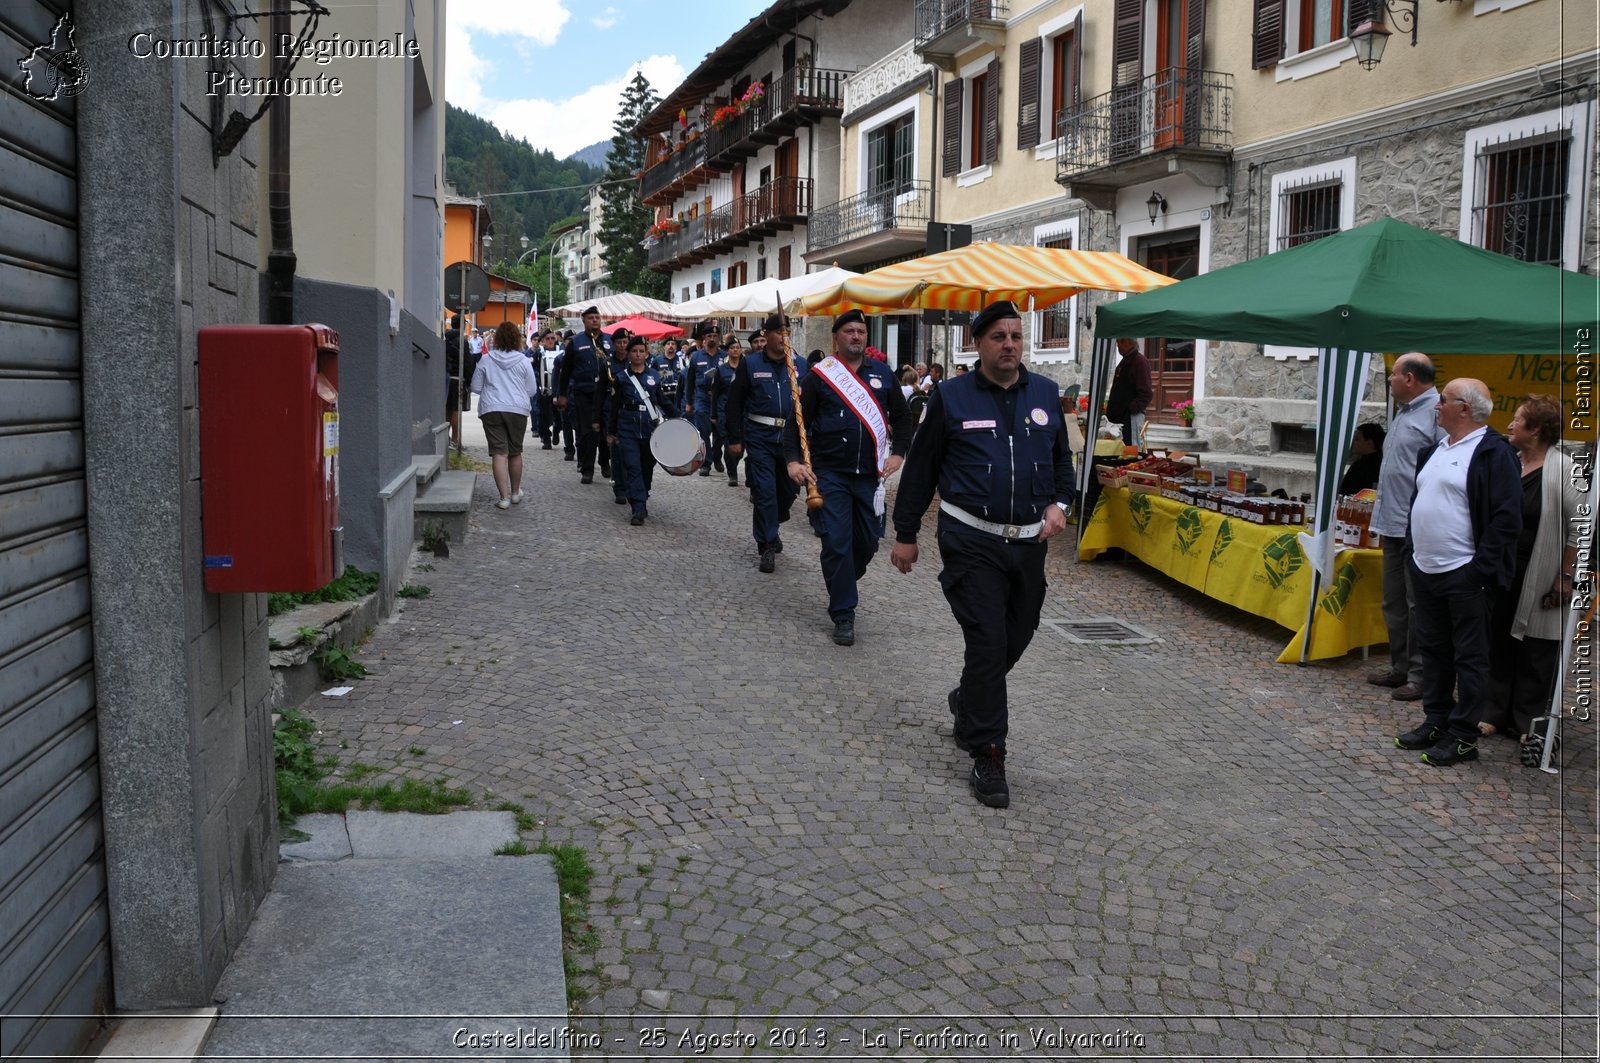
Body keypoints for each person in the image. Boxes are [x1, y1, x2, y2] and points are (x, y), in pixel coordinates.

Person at [890, 300, 1075, 809]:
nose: (1010, 344)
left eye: (1017, 335)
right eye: (999, 336)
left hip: (1028, 543)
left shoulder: (1045, 393)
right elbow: (923, 468)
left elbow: (1063, 463)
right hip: (971, 540)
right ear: (978, 343)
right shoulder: (951, 396)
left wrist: (1060, 504)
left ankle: (969, 699)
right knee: (989, 642)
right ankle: (989, 751)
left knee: (1019, 633)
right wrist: (906, 533)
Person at [1393, 377, 1521, 767]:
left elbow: (1505, 519)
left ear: (1465, 408)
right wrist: (1414, 550)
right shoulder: (1435, 449)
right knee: (1433, 650)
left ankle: (1464, 735)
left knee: (1470, 656)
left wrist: (1477, 570)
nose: (1436, 405)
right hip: (1426, 568)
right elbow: (1421, 500)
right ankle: (1436, 719)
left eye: (1443, 400)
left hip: (1464, 573)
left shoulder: (1493, 452)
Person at [785, 309, 912, 647]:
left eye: (861, 331)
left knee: (867, 542)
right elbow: (795, 424)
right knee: (837, 542)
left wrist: (898, 452)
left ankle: (842, 580)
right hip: (830, 474)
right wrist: (793, 462)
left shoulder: (883, 375)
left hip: (870, 478)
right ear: (836, 337)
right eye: (850, 331)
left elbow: (902, 418)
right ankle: (844, 613)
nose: (857, 336)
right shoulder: (820, 376)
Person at [1479, 395, 1584, 763]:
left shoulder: (1566, 469)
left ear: (1536, 429)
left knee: (1537, 649)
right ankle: (1493, 711)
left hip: (1542, 571)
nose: (1509, 424)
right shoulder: (1512, 462)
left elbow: (1581, 528)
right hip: (1505, 569)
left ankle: (1528, 720)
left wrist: (1565, 577)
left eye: (1518, 419)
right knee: (1499, 639)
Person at [1368, 354, 1445, 701]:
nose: (1389, 379)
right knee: (1393, 602)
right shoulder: (1403, 412)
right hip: (1393, 524)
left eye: (1394, 374)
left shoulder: (1436, 414)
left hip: (1418, 528)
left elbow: (1446, 470)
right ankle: (1400, 668)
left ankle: (1420, 674)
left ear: (1410, 378)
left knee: (1418, 607)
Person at [726, 313, 810, 573]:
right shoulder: (750, 365)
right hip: (760, 437)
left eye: (787, 332)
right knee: (764, 492)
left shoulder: (800, 366)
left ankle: (774, 522)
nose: (784, 337)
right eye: (778, 332)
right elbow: (734, 403)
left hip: (790, 442)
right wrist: (734, 438)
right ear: (767, 335)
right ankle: (766, 544)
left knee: (787, 493)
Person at [605, 336, 676, 526]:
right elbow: (614, 407)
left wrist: (679, 417)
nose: (638, 354)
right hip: (627, 428)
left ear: (646, 354)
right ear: (629, 354)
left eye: (641, 351)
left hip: (650, 429)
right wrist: (611, 432)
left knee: (646, 467)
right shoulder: (621, 378)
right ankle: (638, 506)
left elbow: (662, 400)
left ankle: (641, 493)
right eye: (634, 351)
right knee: (633, 467)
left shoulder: (654, 375)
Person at [471, 321, 539, 510]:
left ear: (497, 338)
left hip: (492, 408)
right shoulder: (524, 361)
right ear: (517, 339)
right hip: (517, 409)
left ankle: (504, 498)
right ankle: (516, 493)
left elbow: (475, 387)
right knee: (515, 452)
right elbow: (532, 390)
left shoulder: (486, 359)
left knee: (499, 453)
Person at [554, 307, 614, 485]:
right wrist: (562, 394)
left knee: (606, 431)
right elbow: (566, 371)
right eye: (591, 318)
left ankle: (604, 462)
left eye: (597, 317)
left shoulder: (609, 340)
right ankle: (587, 469)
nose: (595, 320)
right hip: (584, 393)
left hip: (606, 394)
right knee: (588, 433)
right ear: (584, 321)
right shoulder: (576, 342)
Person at [684, 321, 722, 478]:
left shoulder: (724, 356)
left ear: (718, 339)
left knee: (719, 431)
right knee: (704, 430)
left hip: (719, 399)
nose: (712, 339)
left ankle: (717, 456)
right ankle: (706, 463)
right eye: (709, 336)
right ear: (704, 339)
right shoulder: (696, 357)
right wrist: (689, 402)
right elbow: (690, 381)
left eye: (715, 336)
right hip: (702, 397)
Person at [1105, 338, 1153, 447]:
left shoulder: (1140, 362)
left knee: (1131, 449)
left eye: (1122, 341)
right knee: (1120, 449)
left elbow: (1146, 394)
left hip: (1131, 418)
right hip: (1120, 418)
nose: (1118, 345)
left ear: (1131, 342)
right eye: (1117, 342)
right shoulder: (1124, 362)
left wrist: (1130, 409)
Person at [712, 333, 745, 487]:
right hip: (723, 411)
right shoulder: (721, 370)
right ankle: (732, 473)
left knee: (741, 445)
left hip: (742, 412)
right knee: (728, 443)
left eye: (738, 347)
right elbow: (715, 393)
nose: (735, 350)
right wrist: (714, 414)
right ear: (728, 351)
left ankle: (735, 462)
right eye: (732, 348)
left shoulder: (745, 368)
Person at [1338, 422, 1385, 495]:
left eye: (1357, 439)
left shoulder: (1380, 467)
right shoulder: (1358, 465)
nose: (1353, 442)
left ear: (1369, 443)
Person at [534, 330, 562, 450]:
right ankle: (546, 439)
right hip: (543, 389)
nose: (550, 341)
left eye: (552, 338)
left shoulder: (561, 352)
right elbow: (534, 369)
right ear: (543, 341)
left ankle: (556, 430)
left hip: (558, 390)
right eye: (548, 338)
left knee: (559, 415)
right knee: (543, 415)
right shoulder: (538, 353)